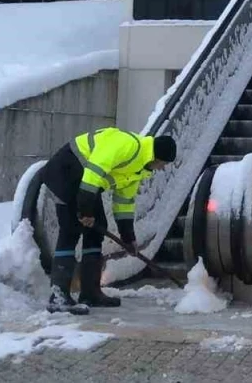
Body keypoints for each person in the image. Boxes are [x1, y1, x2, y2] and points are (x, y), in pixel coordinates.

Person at [38, 127, 177, 313]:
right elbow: (94, 171)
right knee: (70, 230)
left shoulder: (139, 170)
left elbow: (124, 203)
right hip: (66, 170)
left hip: (86, 183)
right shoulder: (128, 146)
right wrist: (85, 210)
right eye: (163, 164)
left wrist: (129, 239)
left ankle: (90, 292)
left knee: (97, 230)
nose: (162, 168)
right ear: (156, 157)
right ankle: (59, 297)